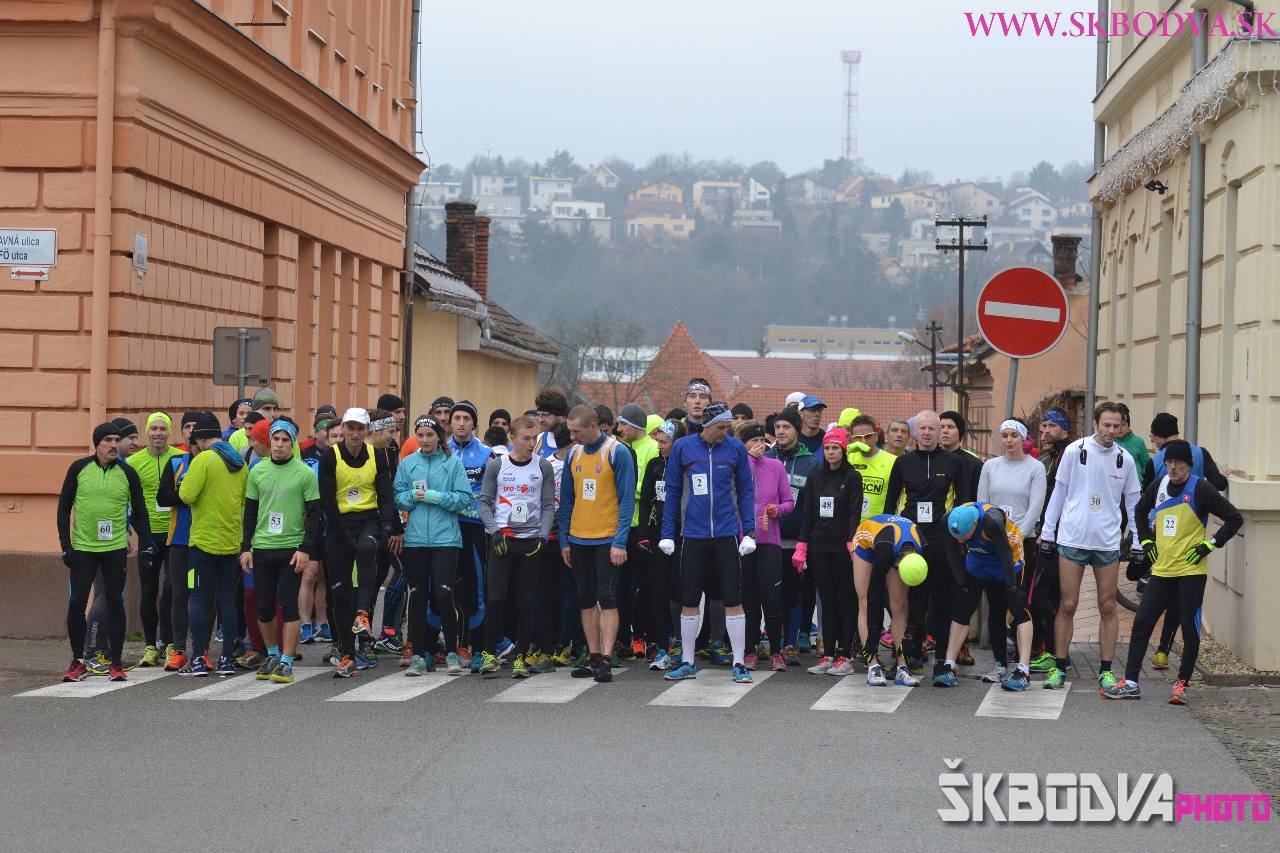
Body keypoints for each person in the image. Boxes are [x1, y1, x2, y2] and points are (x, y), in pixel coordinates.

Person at [1104, 440, 1242, 704]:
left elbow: (1234, 518)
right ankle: (1131, 683)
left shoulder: (1201, 488)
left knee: (1188, 627)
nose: (1173, 467)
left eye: (1178, 462)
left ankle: (1181, 685)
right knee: (1142, 623)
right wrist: (1146, 540)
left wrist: (1209, 545)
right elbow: (1139, 510)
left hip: (1190, 572)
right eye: (1169, 462)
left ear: (1189, 464)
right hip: (1162, 571)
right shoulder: (1159, 485)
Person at [1038, 402, 1142, 693]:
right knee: (1068, 604)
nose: (1111, 430)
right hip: (1072, 538)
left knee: (1107, 605)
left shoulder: (1124, 459)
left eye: (1116, 426)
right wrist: (1048, 532)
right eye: (1106, 425)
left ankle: (1106, 670)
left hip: (1106, 542)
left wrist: (1137, 540)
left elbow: (1133, 501)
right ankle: (1059, 666)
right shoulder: (1075, 451)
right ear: (1095, 424)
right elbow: (1059, 492)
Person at [659, 402, 756, 684]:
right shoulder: (683, 448)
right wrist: (667, 533)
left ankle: (739, 663)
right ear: (707, 425)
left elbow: (746, 491)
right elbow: (673, 492)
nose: (726, 432)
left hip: (727, 534)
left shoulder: (735, 449)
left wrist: (749, 532)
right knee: (690, 599)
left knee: (733, 598)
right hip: (693, 534)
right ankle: (687, 662)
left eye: (728, 427)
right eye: (722, 428)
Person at [883, 410, 975, 676]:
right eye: (922, 428)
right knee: (913, 602)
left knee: (943, 600)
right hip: (911, 539)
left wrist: (961, 540)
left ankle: (943, 661)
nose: (926, 433)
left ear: (938, 432)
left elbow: (964, 504)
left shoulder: (954, 463)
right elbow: (891, 504)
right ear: (915, 431)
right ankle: (910, 656)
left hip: (942, 539)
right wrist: (891, 538)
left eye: (932, 429)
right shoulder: (903, 463)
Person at [57, 422, 152, 682]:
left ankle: (116, 662)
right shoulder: (79, 468)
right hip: (83, 549)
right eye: (107, 440)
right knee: (76, 604)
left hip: (114, 550)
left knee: (114, 603)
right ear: (96, 444)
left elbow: (140, 511)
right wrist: (66, 546)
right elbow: (64, 508)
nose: (113, 445)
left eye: (116, 440)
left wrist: (146, 542)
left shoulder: (127, 472)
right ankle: (78, 661)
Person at [1144, 412, 1229, 669]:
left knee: (1164, 595)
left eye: (1153, 437)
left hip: (1161, 536)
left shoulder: (1155, 462)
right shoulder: (1199, 453)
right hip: (1193, 533)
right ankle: (1169, 650)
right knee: (1185, 603)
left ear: (1158, 436)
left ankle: (1161, 651)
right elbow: (1219, 483)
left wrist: (1144, 539)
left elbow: (1144, 500)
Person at [239, 419, 321, 684]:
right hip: (262, 547)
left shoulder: (305, 473)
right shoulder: (257, 470)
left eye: (286, 440)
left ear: (292, 443)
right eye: (276, 439)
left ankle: (287, 660)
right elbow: (250, 511)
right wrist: (246, 547)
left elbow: (315, 515)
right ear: (270, 441)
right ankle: (272, 654)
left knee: (288, 606)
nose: (280, 445)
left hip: (291, 549)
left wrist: (305, 549)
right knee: (264, 607)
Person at [317, 408, 396, 678]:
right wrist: (344, 534)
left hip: (367, 520)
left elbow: (385, 494)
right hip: (339, 524)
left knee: (367, 548)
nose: (354, 433)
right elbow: (327, 501)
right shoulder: (331, 457)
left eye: (359, 429)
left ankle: (363, 613)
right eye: (350, 428)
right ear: (344, 430)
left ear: (367, 431)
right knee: (340, 595)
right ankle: (348, 654)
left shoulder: (377, 455)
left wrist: (386, 526)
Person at [559, 404, 635, 682]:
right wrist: (565, 540)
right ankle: (592, 655)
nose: (572, 437)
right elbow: (567, 500)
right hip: (579, 537)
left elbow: (627, 500)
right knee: (585, 597)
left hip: (607, 538)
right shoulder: (574, 454)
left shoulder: (617, 452)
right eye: (570, 431)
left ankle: (606, 657)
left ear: (593, 426)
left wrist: (620, 541)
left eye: (576, 431)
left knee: (607, 596)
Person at [477, 415, 557, 677]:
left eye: (534, 438)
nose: (531, 443)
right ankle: (489, 653)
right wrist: (494, 531)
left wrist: (543, 536)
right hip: (503, 540)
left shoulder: (542, 466)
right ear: (512, 437)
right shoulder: (497, 465)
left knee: (526, 602)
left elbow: (548, 505)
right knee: (496, 598)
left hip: (530, 542)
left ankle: (521, 657)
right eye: (526, 438)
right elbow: (484, 502)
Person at [395, 415, 474, 675]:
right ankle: (418, 655)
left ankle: (452, 651)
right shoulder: (409, 463)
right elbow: (398, 497)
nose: (425, 439)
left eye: (430, 435)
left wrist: (437, 497)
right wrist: (412, 496)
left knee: (443, 594)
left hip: (445, 539)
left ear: (439, 436)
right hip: (416, 539)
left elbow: (464, 498)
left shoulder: (452, 463)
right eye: (420, 435)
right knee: (417, 595)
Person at [934, 503, 1034, 692]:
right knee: (964, 606)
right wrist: (961, 583)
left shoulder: (991, 521)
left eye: (964, 537)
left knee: (1016, 607)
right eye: (957, 538)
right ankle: (949, 666)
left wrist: (1012, 586)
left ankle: (1023, 671)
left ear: (974, 525)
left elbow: (1006, 553)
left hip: (1008, 557)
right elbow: (952, 553)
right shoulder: (948, 521)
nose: (959, 541)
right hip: (979, 559)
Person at [178, 412, 248, 677]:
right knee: (227, 600)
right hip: (230, 543)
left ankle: (198, 658)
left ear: (200, 439)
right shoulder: (239, 462)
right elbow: (244, 499)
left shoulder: (204, 459)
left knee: (198, 598)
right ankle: (227, 659)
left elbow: (186, 495)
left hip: (201, 543)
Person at [977, 419, 1049, 678]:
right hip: (993, 543)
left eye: (1014, 435)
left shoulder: (1035, 468)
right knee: (996, 606)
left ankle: (1022, 662)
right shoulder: (990, 466)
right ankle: (999, 663)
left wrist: (1015, 537)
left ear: (1023, 438)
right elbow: (983, 504)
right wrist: (991, 535)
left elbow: (1035, 508)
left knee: (1018, 603)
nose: (1009, 440)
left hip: (1022, 544)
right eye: (1005, 435)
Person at [793, 427, 863, 676]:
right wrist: (802, 545)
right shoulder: (816, 477)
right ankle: (829, 654)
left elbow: (855, 513)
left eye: (835, 448)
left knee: (846, 600)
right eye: (827, 448)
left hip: (842, 548)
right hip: (819, 547)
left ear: (843, 450)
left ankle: (846, 655)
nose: (831, 452)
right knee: (827, 600)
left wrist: (851, 541)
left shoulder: (852, 477)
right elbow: (808, 514)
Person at [127, 412, 183, 667]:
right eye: (154, 428)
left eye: (162, 428)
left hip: (174, 534)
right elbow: (126, 499)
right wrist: (131, 529)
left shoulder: (179, 458)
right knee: (149, 590)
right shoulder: (134, 462)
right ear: (147, 432)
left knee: (172, 589)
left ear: (169, 432)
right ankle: (150, 646)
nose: (158, 433)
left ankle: (169, 643)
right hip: (148, 535)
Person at [765, 408, 819, 666]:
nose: (781, 432)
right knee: (770, 594)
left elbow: (813, 504)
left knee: (793, 594)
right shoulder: (766, 456)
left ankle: (790, 644)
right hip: (768, 538)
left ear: (797, 430)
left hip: (795, 539)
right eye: (778, 427)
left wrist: (805, 539)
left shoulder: (811, 462)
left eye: (786, 427)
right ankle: (772, 643)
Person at [739, 421, 793, 671]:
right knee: (748, 599)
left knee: (772, 599)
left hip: (769, 541)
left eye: (762, 441)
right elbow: (739, 492)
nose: (759, 445)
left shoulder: (775, 466)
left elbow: (789, 502)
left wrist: (777, 510)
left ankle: (776, 651)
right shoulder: (739, 466)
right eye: (753, 442)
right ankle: (750, 651)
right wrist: (749, 459)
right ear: (744, 445)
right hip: (744, 541)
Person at [447, 400, 494, 671]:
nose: (461, 423)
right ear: (450, 423)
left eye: (466, 418)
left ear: (474, 423)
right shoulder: (442, 451)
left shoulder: (487, 454)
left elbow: (495, 491)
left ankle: (479, 649)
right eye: (457, 418)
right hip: (446, 527)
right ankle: (438, 648)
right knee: (444, 588)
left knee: (476, 589)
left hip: (475, 527)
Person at [851, 514, 923, 687]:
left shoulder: (921, 549)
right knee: (866, 602)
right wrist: (872, 639)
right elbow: (874, 593)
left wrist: (912, 635)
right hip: (866, 541)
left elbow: (919, 598)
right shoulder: (885, 550)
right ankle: (873, 666)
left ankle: (902, 667)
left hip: (896, 544)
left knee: (900, 604)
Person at [638, 419, 686, 670]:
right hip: (658, 535)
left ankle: (681, 642)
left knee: (680, 591)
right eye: (657, 441)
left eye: (664, 442)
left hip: (684, 534)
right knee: (658, 591)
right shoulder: (655, 465)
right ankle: (662, 647)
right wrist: (644, 534)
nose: (659, 446)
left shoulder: (687, 466)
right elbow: (646, 500)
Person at [617, 403, 659, 659]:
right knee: (620, 587)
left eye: (623, 424)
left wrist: (630, 489)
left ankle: (643, 636)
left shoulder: (652, 448)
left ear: (636, 426)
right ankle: (622, 638)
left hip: (643, 528)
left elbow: (650, 488)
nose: (619, 429)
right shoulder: (619, 448)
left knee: (644, 586)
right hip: (620, 528)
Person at [1031, 407, 1072, 669]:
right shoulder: (1045, 457)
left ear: (1064, 430)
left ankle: (1053, 650)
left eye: (1051, 426)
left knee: (1041, 594)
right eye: (1043, 426)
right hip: (1044, 532)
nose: (1045, 431)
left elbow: (1064, 498)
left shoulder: (1069, 455)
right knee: (1051, 594)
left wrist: (1050, 530)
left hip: (1058, 535)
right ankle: (1055, 650)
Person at [847, 414, 895, 519]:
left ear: (876, 436)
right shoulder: (847, 459)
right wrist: (844, 452)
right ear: (852, 439)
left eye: (867, 436)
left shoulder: (893, 461)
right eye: (858, 438)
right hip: (850, 523)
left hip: (879, 524)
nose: (863, 441)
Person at [228, 388, 280, 452]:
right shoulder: (237, 437)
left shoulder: (283, 434)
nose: (272, 414)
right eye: (267, 409)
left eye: (275, 409)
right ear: (255, 410)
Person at [1114, 403, 1152, 488]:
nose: (1120, 428)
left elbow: (1146, 465)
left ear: (1128, 425)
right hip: (1115, 487)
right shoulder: (1109, 443)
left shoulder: (1138, 441)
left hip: (1136, 487)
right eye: (1117, 425)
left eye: (1123, 424)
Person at [534, 388, 570, 458]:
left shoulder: (574, 441)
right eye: (539, 415)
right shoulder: (540, 437)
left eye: (545, 415)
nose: (540, 420)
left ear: (561, 416)